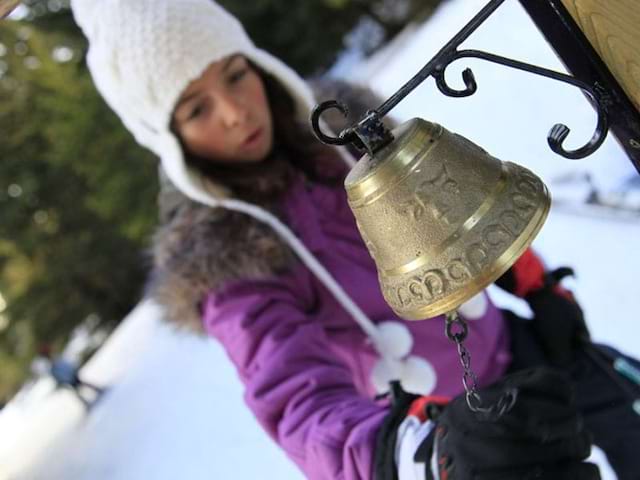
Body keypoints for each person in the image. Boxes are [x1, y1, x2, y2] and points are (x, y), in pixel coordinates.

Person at [70, 1, 640, 478]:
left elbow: (456, 215)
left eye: (236, 74)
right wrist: (420, 452)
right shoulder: (227, 267)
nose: (235, 111)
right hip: (452, 433)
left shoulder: (351, 138)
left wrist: (534, 284)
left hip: (524, 346)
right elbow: (297, 403)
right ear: (168, 138)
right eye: (196, 108)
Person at [33, 345, 105, 411]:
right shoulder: (52, 363)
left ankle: (94, 393)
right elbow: (57, 372)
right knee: (78, 389)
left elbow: (63, 367)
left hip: (69, 376)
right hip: (67, 377)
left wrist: (70, 372)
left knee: (80, 387)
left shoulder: (54, 361)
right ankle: (90, 398)